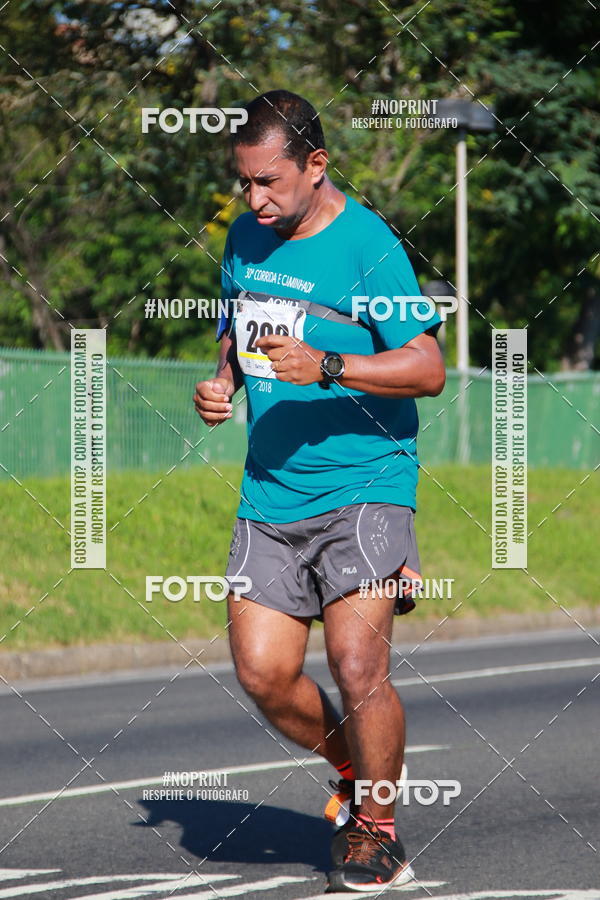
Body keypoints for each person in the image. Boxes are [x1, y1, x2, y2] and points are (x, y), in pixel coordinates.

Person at [193, 89, 445, 892]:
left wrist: (330, 365)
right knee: (264, 674)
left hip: (367, 483)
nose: (255, 200)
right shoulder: (245, 238)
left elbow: (427, 367)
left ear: (316, 165)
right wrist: (222, 381)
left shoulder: (368, 249)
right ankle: (354, 768)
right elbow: (237, 327)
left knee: (354, 659)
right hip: (270, 489)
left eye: (270, 182)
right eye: (245, 184)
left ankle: (377, 829)